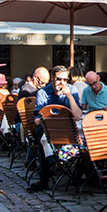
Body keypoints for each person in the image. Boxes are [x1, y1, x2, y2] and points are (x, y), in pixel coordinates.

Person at [27, 65, 84, 193]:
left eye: (65, 80)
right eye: (59, 79)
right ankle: (45, 177)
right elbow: (37, 121)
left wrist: (69, 97)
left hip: (68, 130)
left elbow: (78, 115)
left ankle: (79, 174)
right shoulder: (43, 93)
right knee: (42, 135)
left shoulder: (72, 90)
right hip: (48, 128)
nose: (62, 83)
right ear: (52, 78)